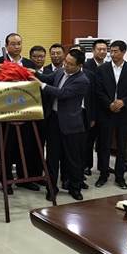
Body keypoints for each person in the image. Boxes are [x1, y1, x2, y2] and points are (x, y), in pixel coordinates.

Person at [36, 49, 89, 201]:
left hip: (71, 124)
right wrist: (32, 72)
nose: (66, 65)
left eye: (70, 64)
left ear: (79, 66)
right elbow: (47, 77)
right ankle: (51, 188)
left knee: (73, 159)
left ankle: (75, 188)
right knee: (52, 158)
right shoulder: (60, 71)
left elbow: (62, 93)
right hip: (54, 120)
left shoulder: (82, 80)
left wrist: (41, 85)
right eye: (66, 62)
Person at [0, 33, 39, 192]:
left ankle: (24, 178)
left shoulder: (29, 63)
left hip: (26, 111)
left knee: (26, 146)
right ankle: (7, 181)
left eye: (19, 43)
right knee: (6, 148)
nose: (17, 46)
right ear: (6, 46)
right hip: (5, 111)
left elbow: (35, 86)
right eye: (13, 44)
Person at [95, 40, 127, 189]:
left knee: (122, 146)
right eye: (111, 51)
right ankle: (103, 175)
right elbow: (98, 90)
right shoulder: (102, 69)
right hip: (106, 112)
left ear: (123, 52)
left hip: (124, 113)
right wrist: (109, 104)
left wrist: (123, 102)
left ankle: (120, 177)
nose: (112, 54)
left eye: (115, 51)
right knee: (104, 145)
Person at [82, 39, 108, 176]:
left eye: (104, 49)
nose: (102, 52)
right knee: (88, 140)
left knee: (104, 141)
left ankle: (104, 166)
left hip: (106, 110)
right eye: (99, 49)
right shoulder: (86, 66)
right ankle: (87, 165)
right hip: (90, 109)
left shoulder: (109, 66)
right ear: (93, 50)